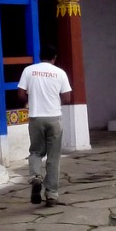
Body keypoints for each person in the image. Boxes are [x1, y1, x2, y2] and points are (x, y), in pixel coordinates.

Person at [17, 44, 72, 206]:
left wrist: (30, 100)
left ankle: (35, 177)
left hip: (35, 117)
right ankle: (51, 195)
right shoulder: (60, 73)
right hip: (54, 118)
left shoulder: (29, 71)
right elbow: (67, 98)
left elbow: (20, 93)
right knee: (53, 157)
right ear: (54, 58)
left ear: (40, 56)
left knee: (35, 152)